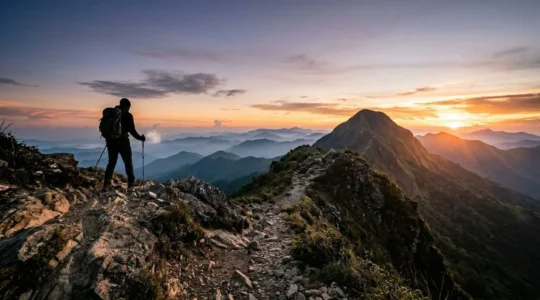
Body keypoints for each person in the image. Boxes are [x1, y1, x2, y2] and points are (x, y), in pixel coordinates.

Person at [103, 98, 145, 190]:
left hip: (111, 142)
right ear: (127, 106)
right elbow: (133, 131)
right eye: (129, 107)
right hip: (123, 142)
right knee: (128, 163)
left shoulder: (111, 113)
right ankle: (130, 184)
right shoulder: (128, 115)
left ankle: (106, 184)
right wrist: (141, 138)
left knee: (111, 162)